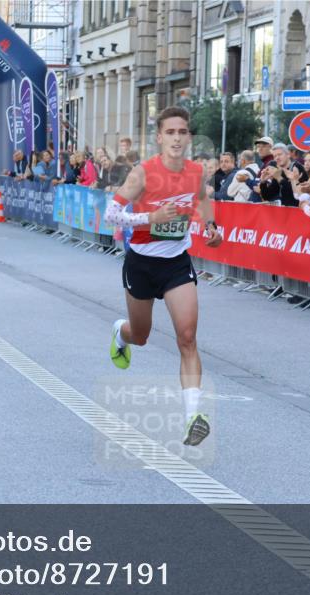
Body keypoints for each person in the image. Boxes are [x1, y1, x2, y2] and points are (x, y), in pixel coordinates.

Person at [105, 106, 223, 446]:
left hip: (176, 263)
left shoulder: (197, 172)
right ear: (159, 138)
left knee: (187, 337)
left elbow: (202, 201)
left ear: (188, 137)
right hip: (141, 263)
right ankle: (121, 333)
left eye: (182, 132)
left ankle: (193, 418)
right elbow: (112, 214)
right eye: (170, 132)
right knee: (140, 335)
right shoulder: (143, 173)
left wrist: (211, 227)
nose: (176, 138)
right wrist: (150, 218)